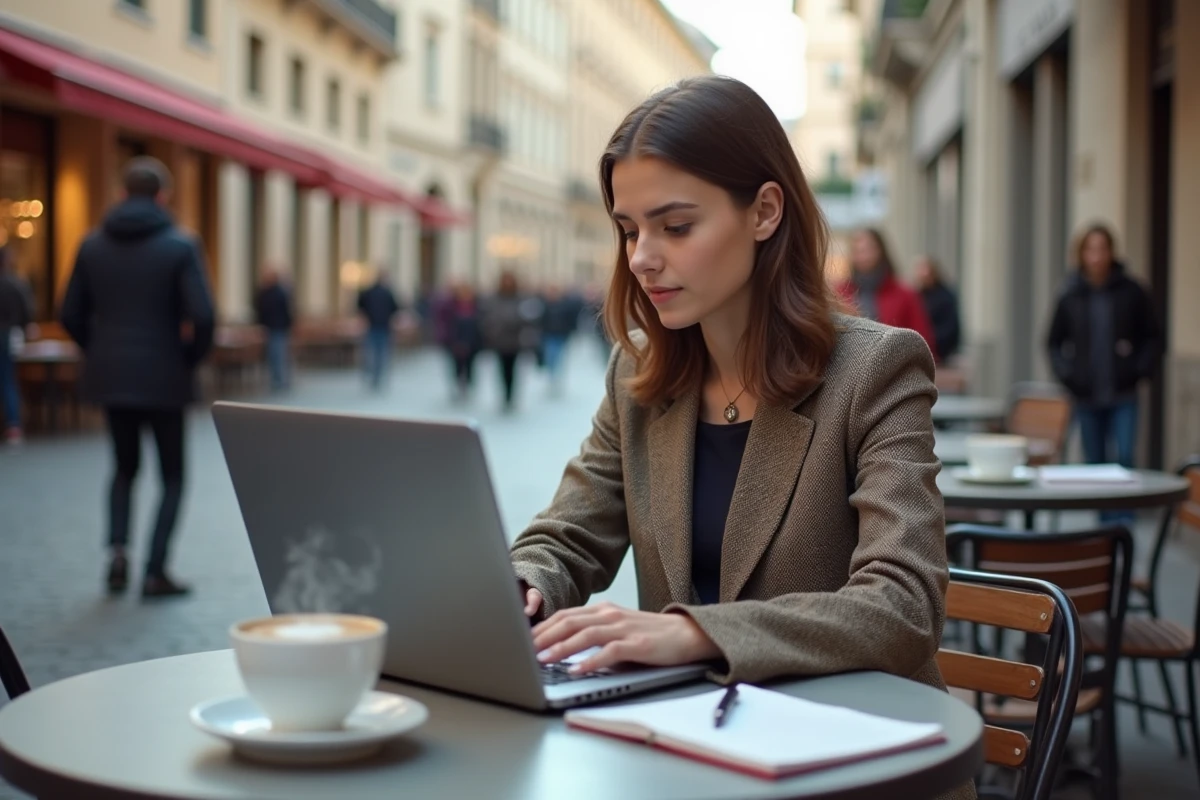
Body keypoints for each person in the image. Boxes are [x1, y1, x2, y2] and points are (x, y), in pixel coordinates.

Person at [508, 75, 968, 800]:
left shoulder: (875, 369)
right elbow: (568, 536)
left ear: (763, 211)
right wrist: (524, 586)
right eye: (630, 230)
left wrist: (698, 633)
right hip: (688, 762)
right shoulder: (639, 375)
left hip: (854, 765)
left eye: (676, 226)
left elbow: (904, 603)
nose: (642, 258)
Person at [61, 156, 215, 599]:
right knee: (173, 475)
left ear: (121, 194)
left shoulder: (91, 245)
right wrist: (188, 357)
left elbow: (70, 312)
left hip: (112, 377)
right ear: (163, 196)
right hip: (165, 376)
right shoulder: (180, 245)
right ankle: (155, 569)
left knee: (123, 468)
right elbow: (203, 314)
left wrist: (99, 349)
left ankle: (117, 555)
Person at [1047, 223, 1162, 522]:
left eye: (1102, 249)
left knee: (1124, 459)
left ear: (1111, 252)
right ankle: (1105, 530)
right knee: (1094, 465)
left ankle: (1123, 526)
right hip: (1086, 395)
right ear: (1081, 253)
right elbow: (1053, 342)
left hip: (1123, 392)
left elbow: (1153, 336)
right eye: (1090, 249)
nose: (1096, 256)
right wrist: (1068, 375)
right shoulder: (1070, 293)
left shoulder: (1131, 291)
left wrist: (1139, 370)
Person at [836, 228, 938, 360]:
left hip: (896, 367)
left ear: (880, 251)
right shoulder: (840, 293)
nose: (863, 256)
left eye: (867, 249)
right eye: (857, 251)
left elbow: (923, 340)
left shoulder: (905, 294)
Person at [481, 270, 534, 412]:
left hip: (515, 341)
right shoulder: (494, 298)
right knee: (502, 369)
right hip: (500, 341)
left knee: (513, 370)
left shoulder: (520, 298)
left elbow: (527, 317)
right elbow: (488, 317)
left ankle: (511, 395)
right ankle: (504, 394)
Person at [0, 246, 35, 445]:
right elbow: (28, 311)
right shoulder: (16, 283)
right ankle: (13, 426)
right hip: (10, 335)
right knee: (8, 380)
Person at [434, 280, 483, 400]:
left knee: (470, 365)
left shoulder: (476, 305)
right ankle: (458, 385)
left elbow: (481, 323)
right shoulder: (450, 306)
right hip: (454, 341)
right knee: (456, 365)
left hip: (472, 341)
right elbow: (443, 322)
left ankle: (468, 385)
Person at [356, 270, 401, 391]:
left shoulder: (369, 292)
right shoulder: (387, 293)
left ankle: (373, 376)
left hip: (373, 326)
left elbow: (359, 306)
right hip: (383, 327)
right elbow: (395, 309)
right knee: (381, 354)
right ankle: (378, 376)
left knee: (371, 353)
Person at [914, 256, 961, 364]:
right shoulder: (917, 295)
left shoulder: (945, 297)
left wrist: (932, 341)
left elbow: (950, 327)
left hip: (939, 350)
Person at [253, 266, 294, 392]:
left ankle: (281, 381)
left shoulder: (280, 292)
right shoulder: (263, 293)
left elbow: (287, 310)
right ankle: (275, 380)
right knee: (271, 356)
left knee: (280, 354)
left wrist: (289, 325)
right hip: (267, 328)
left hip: (280, 327)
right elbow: (259, 310)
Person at [539, 283, 583, 394]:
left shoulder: (564, 305)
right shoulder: (545, 305)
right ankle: (552, 376)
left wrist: (571, 331)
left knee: (559, 357)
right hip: (548, 334)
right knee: (550, 357)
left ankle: (556, 378)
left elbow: (570, 319)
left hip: (561, 335)